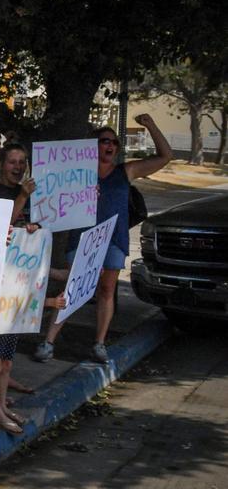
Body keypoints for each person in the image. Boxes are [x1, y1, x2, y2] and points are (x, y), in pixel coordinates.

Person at [33, 114, 173, 363]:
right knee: (73, 289)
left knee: (106, 289)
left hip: (114, 239)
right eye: (104, 141)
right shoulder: (78, 172)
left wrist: (151, 125)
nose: (110, 146)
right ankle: (48, 342)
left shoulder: (125, 171)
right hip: (83, 238)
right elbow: (52, 195)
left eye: (114, 143)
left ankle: (99, 343)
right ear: (94, 145)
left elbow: (165, 156)